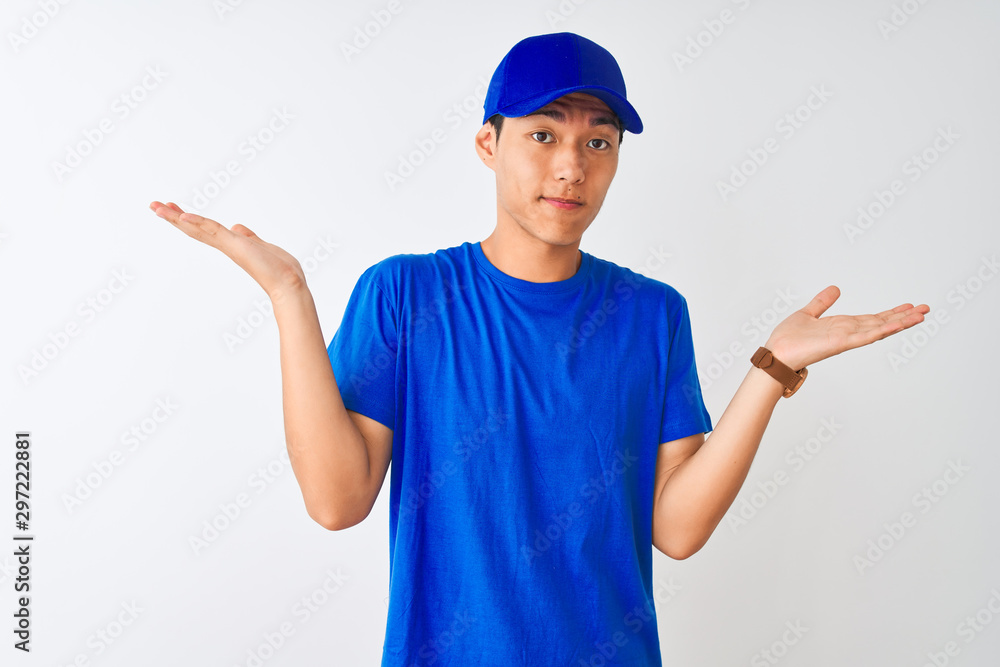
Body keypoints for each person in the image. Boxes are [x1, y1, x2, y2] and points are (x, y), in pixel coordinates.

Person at [150, 31, 929, 667]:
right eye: (544, 134)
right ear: (488, 145)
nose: (571, 165)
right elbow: (337, 498)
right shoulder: (406, 296)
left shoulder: (653, 315)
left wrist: (772, 368)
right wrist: (291, 298)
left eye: (599, 141)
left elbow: (678, 528)